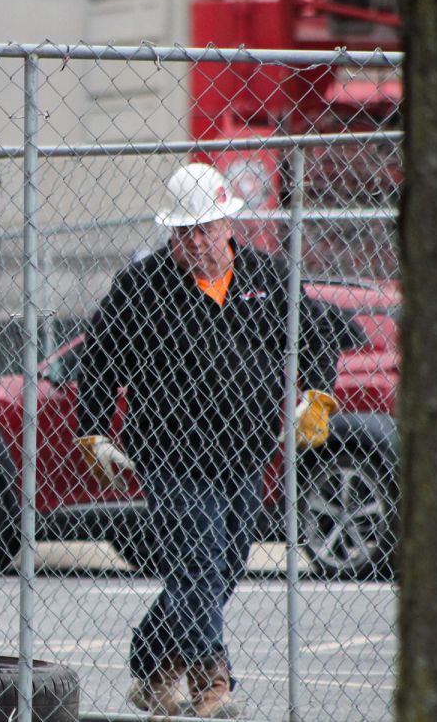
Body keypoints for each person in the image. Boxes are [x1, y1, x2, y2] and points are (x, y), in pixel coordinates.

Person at [75, 163, 342, 718]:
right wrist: (94, 429)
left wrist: (315, 394)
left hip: (246, 450)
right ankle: (211, 683)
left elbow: (320, 335)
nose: (193, 242)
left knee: (221, 567)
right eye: (181, 233)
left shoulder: (268, 277)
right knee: (196, 562)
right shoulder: (142, 286)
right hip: (169, 453)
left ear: (227, 225)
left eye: (203, 229)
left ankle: (151, 666)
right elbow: (98, 361)